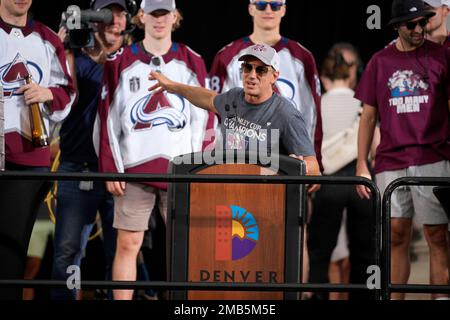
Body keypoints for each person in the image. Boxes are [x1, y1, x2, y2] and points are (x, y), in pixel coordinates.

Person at [95, 0, 215, 300]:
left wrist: (201, 166)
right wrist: (111, 166)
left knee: (186, 248)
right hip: (135, 167)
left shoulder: (193, 60)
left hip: (181, 171)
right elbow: (107, 114)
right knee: (127, 244)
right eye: (153, 14)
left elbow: (207, 115)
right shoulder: (120, 59)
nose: (159, 20)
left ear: (175, 17)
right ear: (142, 17)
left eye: (165, 14)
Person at [355, 0, 450, 300]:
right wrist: (361, 163)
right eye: (412, 24)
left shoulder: (443, 57)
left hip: (432, 156)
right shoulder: (380, 62)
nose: (420, 28)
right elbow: (368, 116)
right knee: (395, 235)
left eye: (423, 22)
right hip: (390, 160)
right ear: (397, 26)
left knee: (437, 235)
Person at [50, 0, 133, 300]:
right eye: (105, 14)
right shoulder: (75, 55)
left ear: (128, 19)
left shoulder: (135, 59)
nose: (113, 21)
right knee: (68, 254)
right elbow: (62, 91)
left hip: (121, 171)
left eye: (119, 14)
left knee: (122, 253)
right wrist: (59, 47)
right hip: (78, 167)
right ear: (92, 18)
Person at [149, 44, 321, 180]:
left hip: (266, 200)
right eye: (247, 68)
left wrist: (299, 167)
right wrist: (172, 86)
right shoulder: (233, 98)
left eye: (260, 70)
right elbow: (208, 99)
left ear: (274, 76)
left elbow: (314, 168)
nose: (252, 75)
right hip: (228, 193)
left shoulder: (286, 113)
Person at [0, 0, 75, 299]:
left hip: (28, 160)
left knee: (11, 251)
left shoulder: (48, 38)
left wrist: (47, 93)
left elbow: (67, 94)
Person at [209, 0, 323, 167]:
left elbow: (311, 114)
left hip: (287, 155)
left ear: (283, 9)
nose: (268, 10)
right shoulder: (227, 56)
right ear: (250, 8)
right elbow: (214, 114)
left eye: (275, 5)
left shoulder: (302, 57)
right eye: (261, 4)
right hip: (237, 159)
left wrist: (314, 160)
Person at [307, 48, 376, 300]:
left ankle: (317, 298)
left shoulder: (316, 105)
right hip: (361, 181)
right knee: (364, 251)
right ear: (350, 76)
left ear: (323, 78)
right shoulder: (362, 104)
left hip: (326, 182)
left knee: (319, 251)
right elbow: (375, 145)